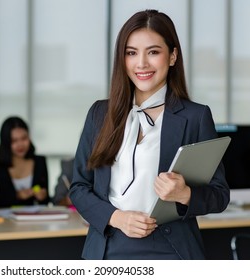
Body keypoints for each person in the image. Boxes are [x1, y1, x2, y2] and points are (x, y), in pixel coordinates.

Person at [69, 9, 230, 260]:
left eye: (153, 52)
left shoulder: (195, 117)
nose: (141, 63)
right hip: (108, 247)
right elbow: (79, 187)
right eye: (131, 53)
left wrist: (184, 194)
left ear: (173, 56)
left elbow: (219, 195)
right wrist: (116, 217)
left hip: (170, 249)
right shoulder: (100, 114)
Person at [0, 116, 49, 208]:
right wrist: (17, 196)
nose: (20, 145)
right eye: (14, 141)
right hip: (3, 219)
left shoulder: (40, 162)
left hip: (34, 219)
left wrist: (43, 195)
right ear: (6, 142)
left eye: (24, 138)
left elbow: (46, 201)